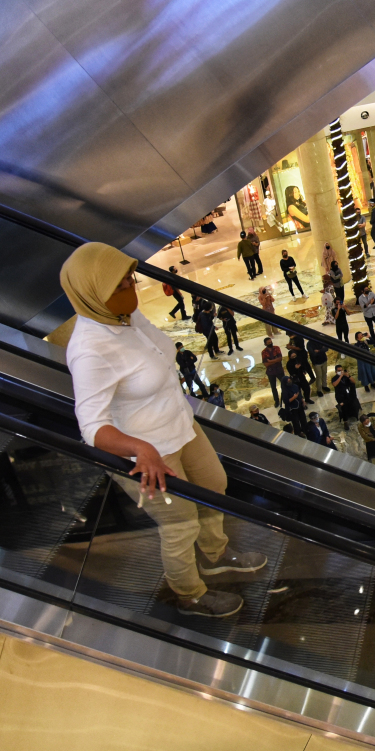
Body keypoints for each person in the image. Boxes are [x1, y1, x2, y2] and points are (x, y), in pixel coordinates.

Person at [60, 242, 265, 619]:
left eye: (130, 279)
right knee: (179, 523)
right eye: (120, 285)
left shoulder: (126, 318)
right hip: (148, 453)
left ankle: (216, 554)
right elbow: (92, 428)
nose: (132, 288)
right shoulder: (90, 349)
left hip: (180, 425)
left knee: (214, 485)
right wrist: (141, 448)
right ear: (93, 294)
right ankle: (189, 594)